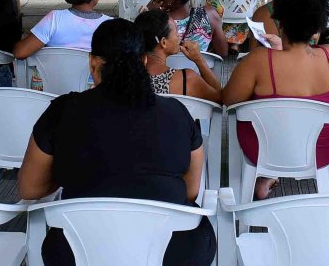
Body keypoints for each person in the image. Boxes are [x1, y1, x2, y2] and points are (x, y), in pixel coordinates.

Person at [19, 19, 216, 266]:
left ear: (93, 61)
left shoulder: (63, 111)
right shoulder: (177, 112)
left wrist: (74, 172)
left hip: (78, 251)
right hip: (173, 252)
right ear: (144, 61)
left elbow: (29, 188)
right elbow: (191, 190)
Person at [224, 0, 329, 200]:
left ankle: (265, 176)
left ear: (280, 24)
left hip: (264, 148)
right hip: (323, 148)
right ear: (318, 28)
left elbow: (229, 100)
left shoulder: (259, 61)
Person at [13, 0, 111, 89]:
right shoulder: (109, 26)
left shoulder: (55, 19)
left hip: (54, 93)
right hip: (92, 96)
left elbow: (20, 52)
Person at [135, 9, 223, 103]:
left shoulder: (126, 78)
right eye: (176, 32)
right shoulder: (186, 79)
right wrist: (199, 59)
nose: (178, 36)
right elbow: (221, 98)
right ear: (164, 42)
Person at [147, 0, 227, 57]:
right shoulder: (210, 14)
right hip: (198, 70)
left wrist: (151, 14)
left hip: (164, 71)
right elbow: (223, 53)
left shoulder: (153, 21)